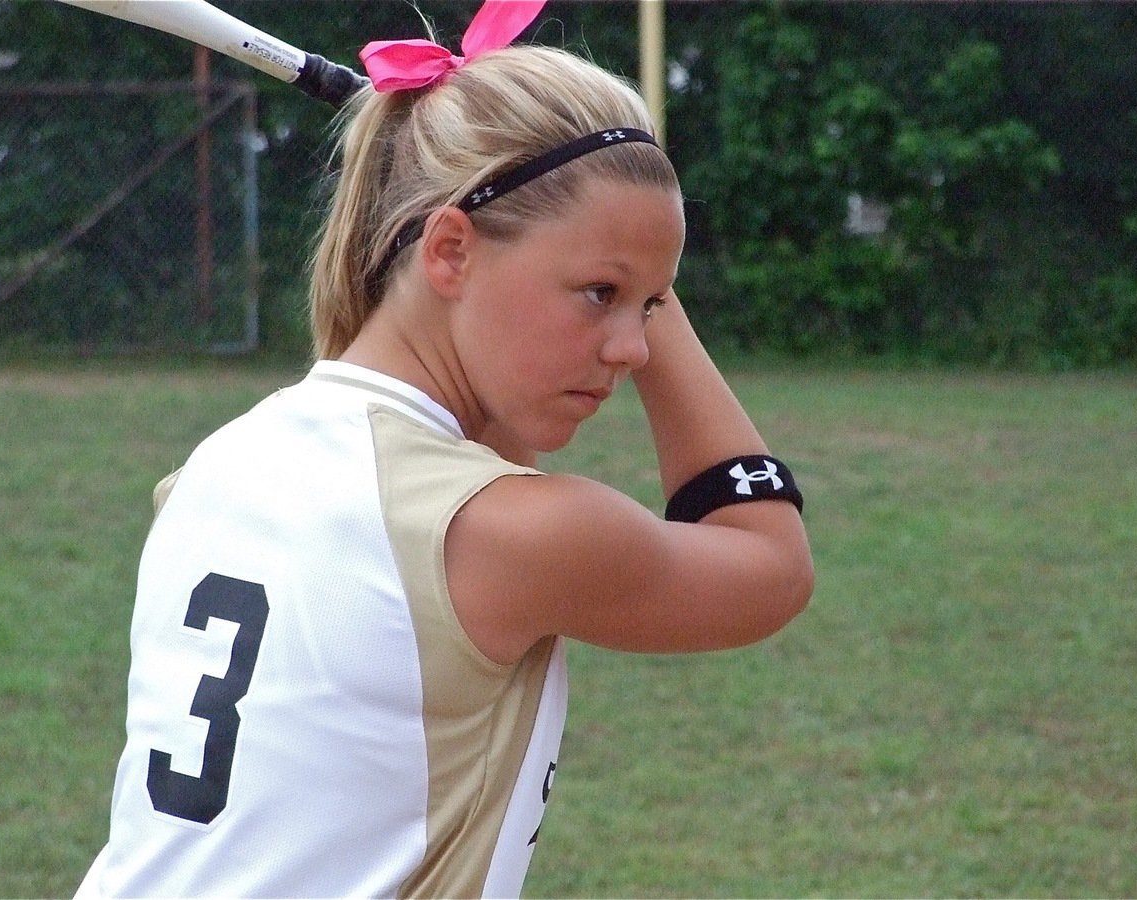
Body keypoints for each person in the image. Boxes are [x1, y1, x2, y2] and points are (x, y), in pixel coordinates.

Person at [75, 2, 813, 897]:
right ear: (450, 251)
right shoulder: (508, 532)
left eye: (649, 307)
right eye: (598, 294)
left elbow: (473, 426)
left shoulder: (215, 468)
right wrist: (650, 278)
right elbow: (768, 563)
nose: (633, 348)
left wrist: (622, 262)